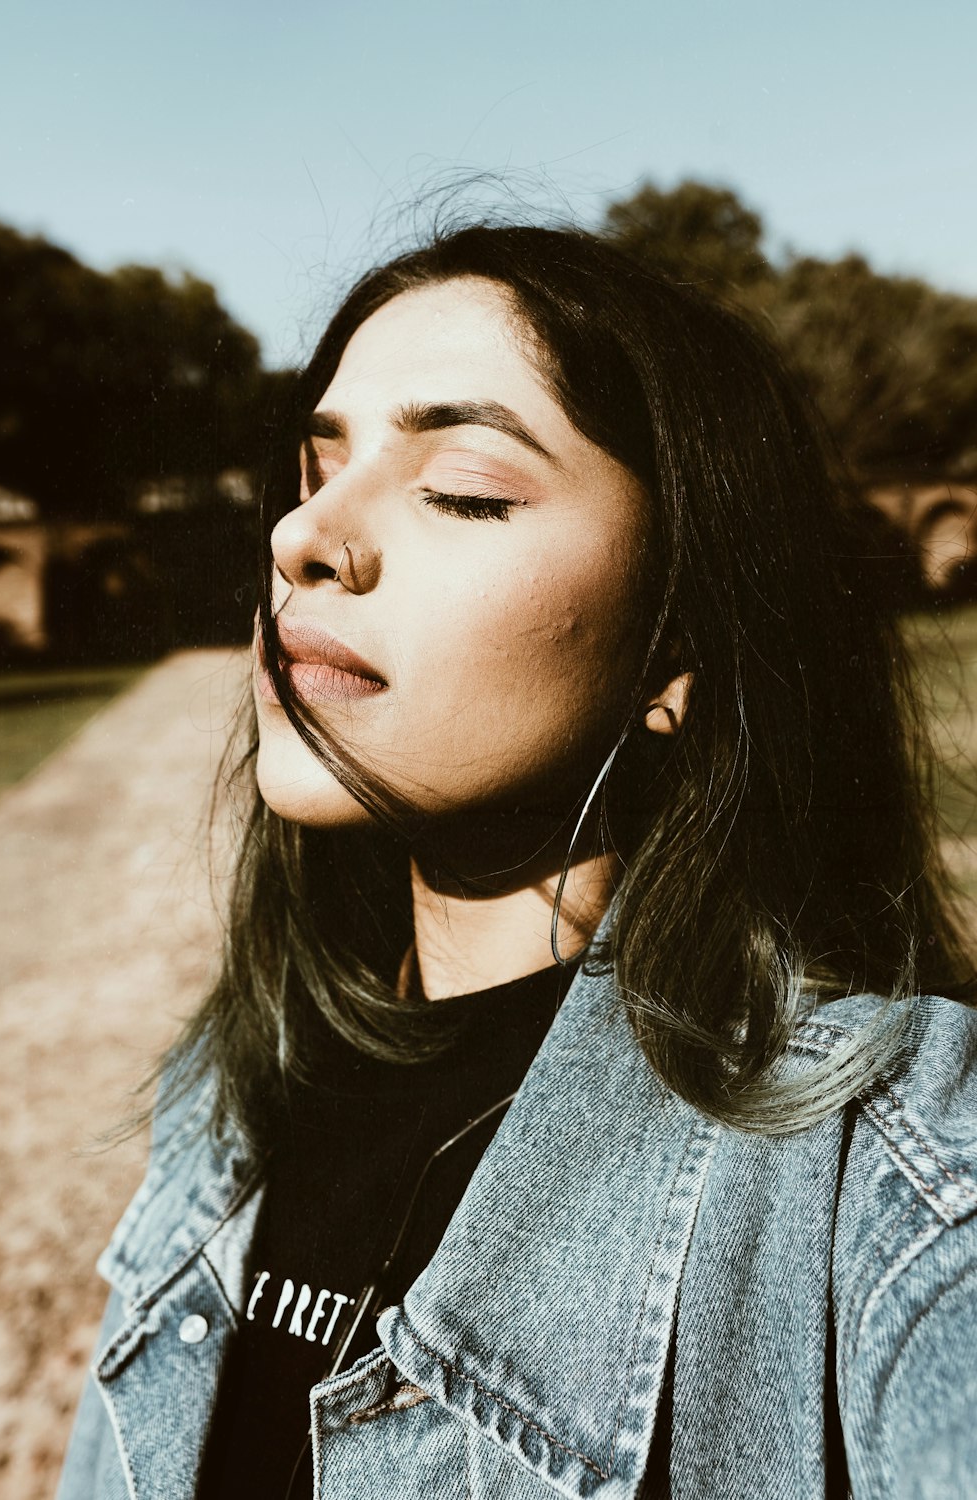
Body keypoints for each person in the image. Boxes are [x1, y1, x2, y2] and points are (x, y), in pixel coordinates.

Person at [58, 224, 977, 1500]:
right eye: (316, 468)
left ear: (676, 644)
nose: (305, 537)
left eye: (464, 489)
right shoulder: (227, 1090)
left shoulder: (881, 1162)